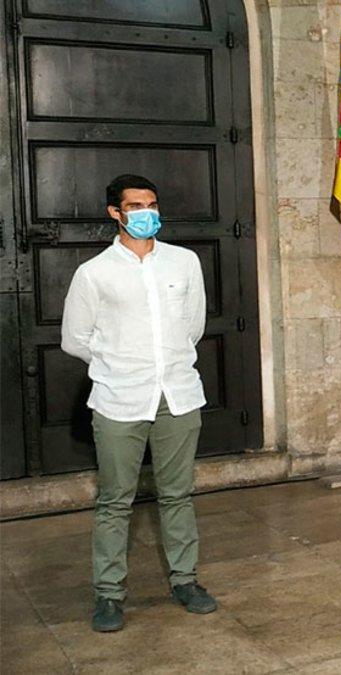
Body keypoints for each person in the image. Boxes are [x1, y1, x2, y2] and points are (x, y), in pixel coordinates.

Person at [61, 174, 217, 633]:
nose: (146, 212)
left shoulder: (184, 263)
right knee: (115, 500)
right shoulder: (94, 273)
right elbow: (75, 339)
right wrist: (119, 363)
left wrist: (161, 363)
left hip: (178, 396)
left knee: (178, 495)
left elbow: (194, 326)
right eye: (135, 205)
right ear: (115, 212)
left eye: (151, 203)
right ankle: (109, 595)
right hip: (118, 400)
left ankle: (185, 581)